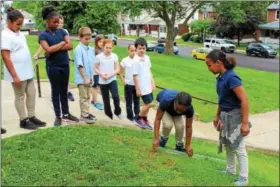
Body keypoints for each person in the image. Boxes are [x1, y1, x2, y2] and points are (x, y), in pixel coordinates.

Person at [205, 49, 251, 186]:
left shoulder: (232, 77)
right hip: (225, 116)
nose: (209, 68)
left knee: (238, 147)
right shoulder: (220, 78)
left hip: (236, 117)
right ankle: (230, 170)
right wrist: (217, 115)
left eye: (209, 65)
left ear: (218, 63)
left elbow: (244, 101)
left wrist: (244, 124)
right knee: (228, 145)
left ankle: (244, 178)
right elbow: (222, 99)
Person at [1, 7, 46, 130]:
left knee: (31, 93)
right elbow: (6, 57)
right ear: (9, 22)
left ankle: (32, 116)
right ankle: (23, 120)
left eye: (21, 24)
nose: (20, 26)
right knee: (20, 96)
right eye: (17, 24)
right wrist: (15, 76)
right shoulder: (5, 35)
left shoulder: (19, 33)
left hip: (27, 70)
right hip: (17, 72)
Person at [39, 5, 79, 126]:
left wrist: (55, 47)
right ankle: (58, 116)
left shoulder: (62, 32)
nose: (57, 24)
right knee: (55, 91)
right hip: (53, 67)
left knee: (64, 90)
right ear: (47, 21)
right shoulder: (43, 35)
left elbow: (70, 45)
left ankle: (66, 114)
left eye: (58, 22)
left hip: (64, 65)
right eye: (54, 21)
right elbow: (48, 50)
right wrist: (62, 43)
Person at [33, 15, 75, 102]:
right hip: (53, 60)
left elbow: (68, 45)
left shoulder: (64, 32)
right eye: (58, 23)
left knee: (64, 80)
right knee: (55, 82)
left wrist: (68, 55)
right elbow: (44, 47)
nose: (60, 24)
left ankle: (67, 93)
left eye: (61, 23)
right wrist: (37, 54)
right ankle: (55, 96)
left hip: (63, 58)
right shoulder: (48, 34)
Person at [152, 89, 194, 156]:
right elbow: (157, 119)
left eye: (182, 110)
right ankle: (163, 139)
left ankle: (179, 145)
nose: (179, 112)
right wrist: (156, 138)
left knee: (180, 126)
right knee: (168, 124)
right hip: (165, 107)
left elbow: (188, 126)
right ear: (176, 102)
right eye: (179, 109)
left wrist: (188, 145)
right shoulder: (166, 101)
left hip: (172, 108)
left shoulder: (189, 109)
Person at [94, 39, 122, 119]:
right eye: (107, 47)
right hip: (102, 81)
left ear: (112, 48)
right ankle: (109, 114)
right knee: (106, 99)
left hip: (112, 79)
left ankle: (118, 112)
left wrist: (110, 75)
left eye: (110, 48)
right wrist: (101, 74)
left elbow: (117, 68)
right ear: (103, 47)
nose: (108, 50)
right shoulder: (98, 57)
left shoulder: (114, 56)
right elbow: (95, 68)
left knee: (116, 96)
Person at [73, 27, 96, 124]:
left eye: (89, 39)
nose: (88, 41)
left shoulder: (90, 49)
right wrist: (85, 78)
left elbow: (92, 64)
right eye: (86, 39)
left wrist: (91, 77)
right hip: (82, 79)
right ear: (80, 37)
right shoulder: (78, 49)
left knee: (87, 96)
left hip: (89, 78)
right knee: (83, 97)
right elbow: (80, 65)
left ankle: (86, 112)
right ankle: (84, 115)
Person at [132, 37, 156, 130]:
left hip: (148, 85)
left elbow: (149, 71)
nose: (142, 50)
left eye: (143, 48)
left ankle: (144, 119)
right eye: (139, 48)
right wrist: (137, 89)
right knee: (149, 104)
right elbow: (135, 76)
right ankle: (138, 118)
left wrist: (152, 82)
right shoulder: (135, 60)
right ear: (136, 48)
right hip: (142, 86)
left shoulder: (147, 58)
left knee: (149, 103)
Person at [119, 44, 140, 122]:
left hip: (137, 85)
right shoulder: (125, 61)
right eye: (131, 50)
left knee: (137, 102)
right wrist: (124, 82)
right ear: (128, 51)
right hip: (128, 85)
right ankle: (130, 116)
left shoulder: (138, 60)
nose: (133, 52)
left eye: (135, 50)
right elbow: (120, 73)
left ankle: (137, 116)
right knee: (129, 102)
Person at [91, 34, 105, 110]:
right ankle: (95, 101)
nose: (101, 43)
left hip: (100, 72)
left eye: (103, 42)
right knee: (95, 86)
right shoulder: (94, 51)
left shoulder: (103, 50)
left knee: (98, 86)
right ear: (96, 42)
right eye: (99, 42)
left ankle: (94, 100)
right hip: (95, 72)